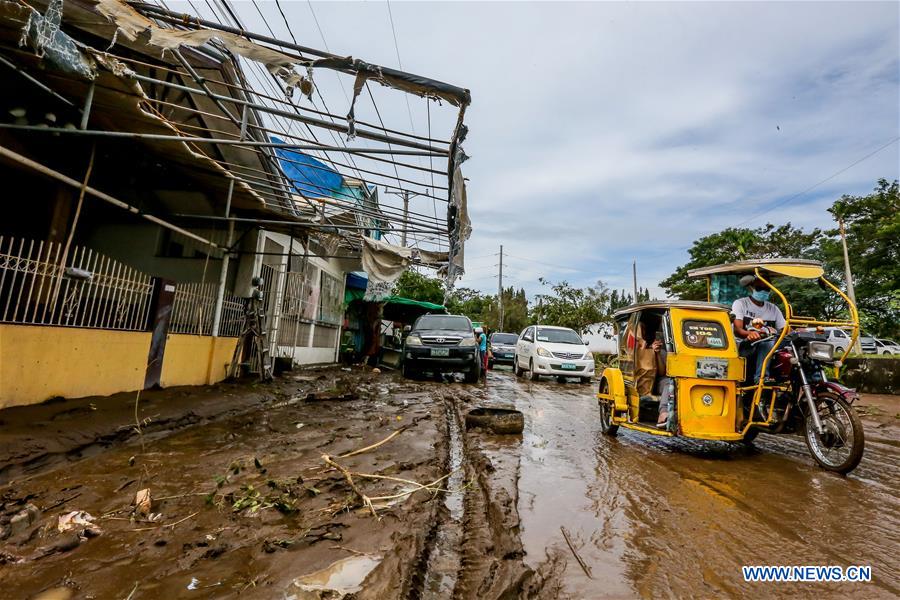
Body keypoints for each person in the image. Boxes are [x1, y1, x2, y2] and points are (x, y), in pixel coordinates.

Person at [732, 275, 786, 383]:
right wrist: (749, 334)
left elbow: (785, 329)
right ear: (751, 288)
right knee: (767, 342)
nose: (763, 291)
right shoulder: (741, 304)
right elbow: (737, 330)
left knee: (797, 343)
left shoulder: (773, 309)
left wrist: (798, 332)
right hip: (745, 346)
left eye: (766, 289)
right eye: (759, 288)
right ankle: (761, 378)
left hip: (767, 345)